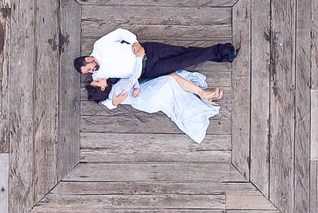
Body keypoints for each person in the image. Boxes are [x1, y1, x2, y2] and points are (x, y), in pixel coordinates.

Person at [73, 28, 237, 101]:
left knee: (184, 51)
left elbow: (119, 33)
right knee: (185, 61)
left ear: (88, 59)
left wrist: (134, 42)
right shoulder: (98, 77)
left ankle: (222, 55)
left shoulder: (100, 45)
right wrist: (114, 102)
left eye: (89, 68)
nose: (92, 72)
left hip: (149, 50)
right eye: (88, 72)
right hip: (150, 69)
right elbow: (101, 96)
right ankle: (222, 51)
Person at [86, 71, 222, 143]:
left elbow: (107, 102)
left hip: (146, 104)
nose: (99, 78)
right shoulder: (116, 90)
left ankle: (196, 92)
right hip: (147, 94)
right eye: (97, 82)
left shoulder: (110, 96)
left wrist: (114, 103)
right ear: (102, 88)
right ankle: (202, 93)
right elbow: (132, 79)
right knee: (172, 78)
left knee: (174, 90)